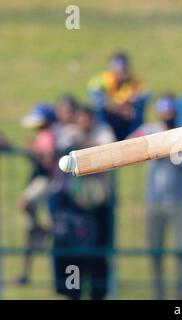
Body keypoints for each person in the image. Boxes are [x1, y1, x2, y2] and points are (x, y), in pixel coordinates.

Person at [129, 95, 182, 299]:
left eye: (170, 110)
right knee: (155, 251)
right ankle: (158, 294)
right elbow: (130, 144)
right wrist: (152, 148)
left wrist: (171, 153)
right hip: (154, 201)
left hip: (178, 202)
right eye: (163, 110)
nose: (167, 114)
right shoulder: (150, 130)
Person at [50, 107, 116, 299]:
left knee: (97, 258)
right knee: (72, 260)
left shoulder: (103, 132)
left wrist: (83, 146)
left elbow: (108, 150)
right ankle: (73, 293)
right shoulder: (68, 133)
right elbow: (61, 149)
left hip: (96, 209)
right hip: (72, 211)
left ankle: (97, 292)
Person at [18, 103, 56, 285]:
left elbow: (47, 162)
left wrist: (34, 152)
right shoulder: (44, 135)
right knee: (30, 234)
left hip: (47, 184)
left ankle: (42, 229)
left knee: (25, 203)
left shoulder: (48, 136)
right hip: (40, 183)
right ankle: (25, 275)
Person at [88, 52, 150, 140]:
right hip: (109, 120)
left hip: (128, 120)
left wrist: (129, 104)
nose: (121, 70)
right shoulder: (102, 79)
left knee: (137, 111)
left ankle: (135, 137)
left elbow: (143, 96)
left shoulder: (134, 81)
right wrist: (119, 108)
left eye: (124, 67)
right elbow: (96, 99)